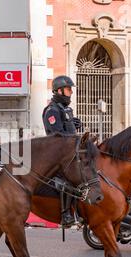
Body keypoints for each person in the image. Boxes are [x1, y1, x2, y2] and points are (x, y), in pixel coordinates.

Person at [42, 75, 82, 228]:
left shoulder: (66, 109)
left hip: (70, 153)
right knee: (68, 180)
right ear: (59, 91)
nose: (71, 92)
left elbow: (67, 128)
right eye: (68, 89)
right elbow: (57, 135)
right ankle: (66, 214)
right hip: (57, 155)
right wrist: (75, 138)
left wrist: (75, 124)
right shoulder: (51, 111)